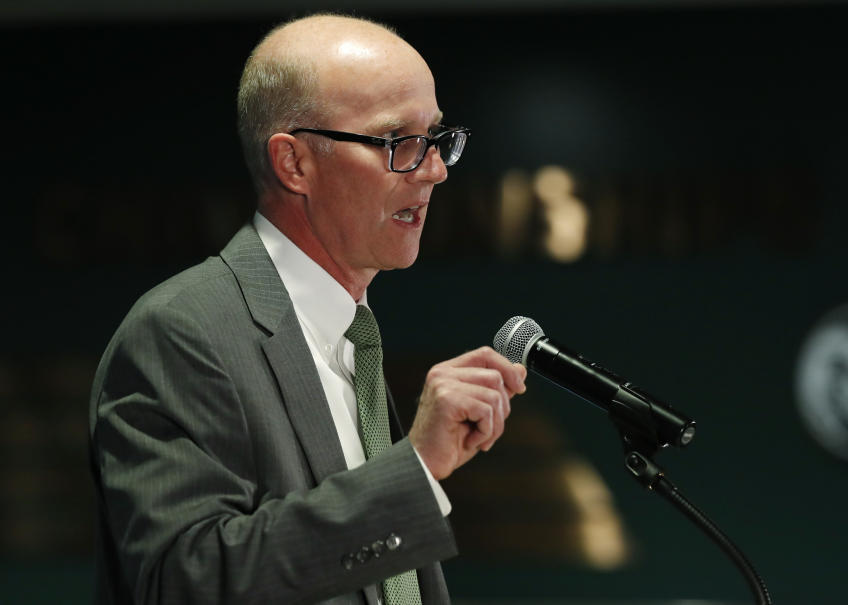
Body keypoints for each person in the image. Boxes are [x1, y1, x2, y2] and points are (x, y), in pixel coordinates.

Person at [88, 13, 527, 605]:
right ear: (294, 164)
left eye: (438, 138)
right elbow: (185, 583)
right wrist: (415, 467)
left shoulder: (349, 337)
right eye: (400, 142)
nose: (435, 169)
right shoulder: (182, 332)